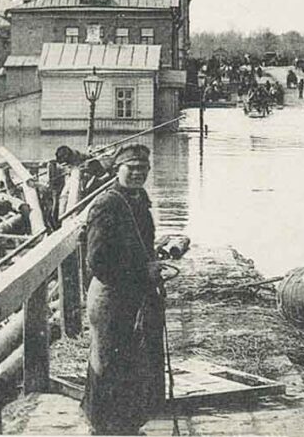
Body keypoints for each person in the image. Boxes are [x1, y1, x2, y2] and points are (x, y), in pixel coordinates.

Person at [82, 144, 166, 435]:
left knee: (133, 360)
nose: (138, 174)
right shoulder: (107, 204)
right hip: (110, 293)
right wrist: (142, 272)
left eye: (143, 170)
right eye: (131, 169)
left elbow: (140, 243)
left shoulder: (139, 199)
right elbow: (97, 261)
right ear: (117, 170)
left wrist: (151, 264)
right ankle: (102, 427)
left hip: (134, 292)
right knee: (107, 361)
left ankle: (127, 426)